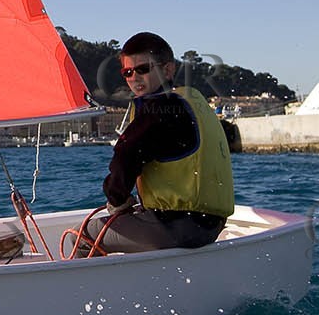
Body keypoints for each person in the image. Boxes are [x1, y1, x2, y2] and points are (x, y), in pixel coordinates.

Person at [77, 32, 234, 255]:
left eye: (143, 69)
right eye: (127, 72)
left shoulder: (159, 108)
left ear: (167, 70)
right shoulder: (192, 102)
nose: (134, 78)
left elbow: (126, 155)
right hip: (209, 225)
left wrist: (118, 199)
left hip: (178, 226)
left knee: (81, 236)